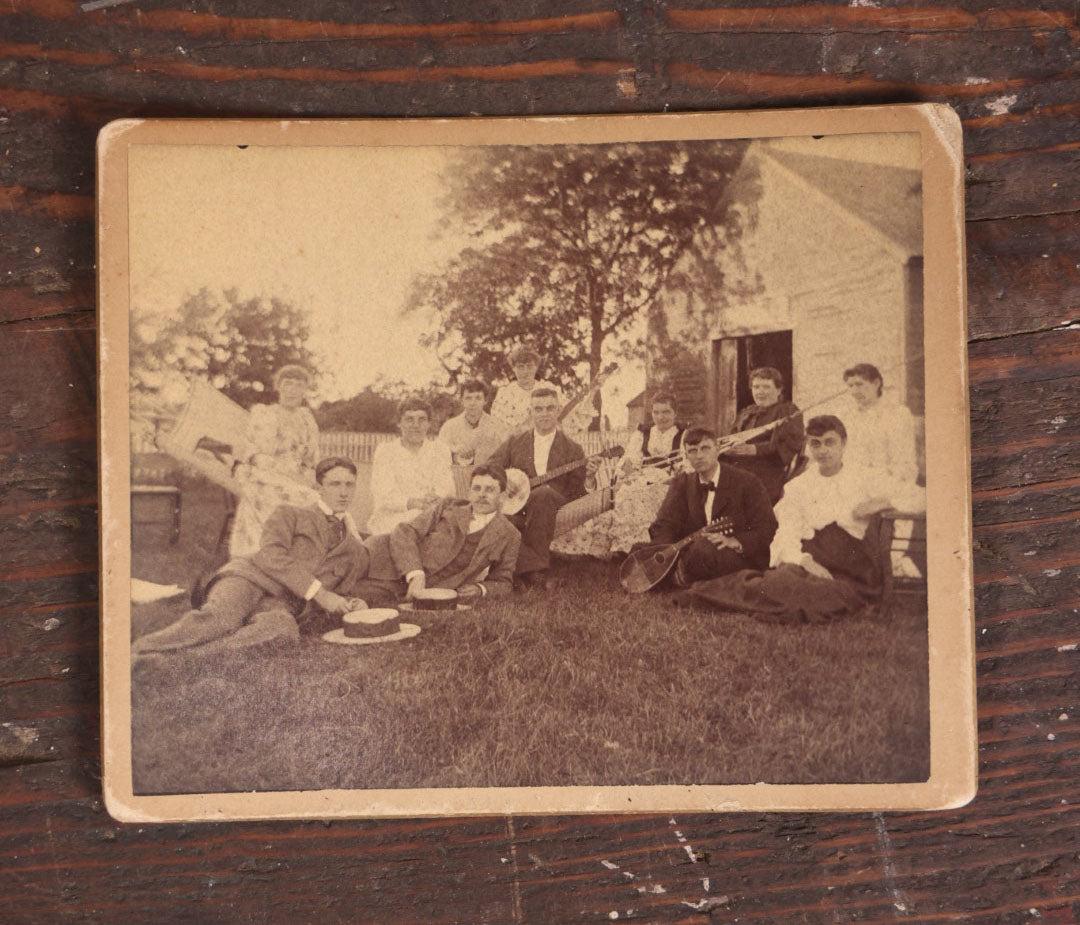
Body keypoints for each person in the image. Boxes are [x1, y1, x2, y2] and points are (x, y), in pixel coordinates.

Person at [133, 457, 368, 658]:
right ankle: (141, 651)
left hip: (282, 604)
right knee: (221, 619)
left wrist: (352, 604)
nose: (344, 492)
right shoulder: (291, 513)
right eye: (335, 484)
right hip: (249, 578)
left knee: (282, 631)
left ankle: (186, 659)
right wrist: (319, 593)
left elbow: (341, 593)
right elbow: (270, 554)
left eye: (350, 485)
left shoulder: (354, 549)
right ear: (319, 488)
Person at [770, 415, 925, 578]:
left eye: (830, 442)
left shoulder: (864, 476)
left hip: (850, 568)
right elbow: (786, 533)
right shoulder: (798, 486)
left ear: (843, 443)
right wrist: (805, 562)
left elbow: (921, 496)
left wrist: (884, 502)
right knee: (778, 581)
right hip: (808, 560)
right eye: (816, 444)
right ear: (808, 445)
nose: (823, 450)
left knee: (804, 592)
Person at [345, 464, 521, 607]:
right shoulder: (448, 506)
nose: (482, 495)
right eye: (477, 488)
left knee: (348, 593)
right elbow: (406, 531)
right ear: (469, 492)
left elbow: (503, 582)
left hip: (424, 590)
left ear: (502, 496)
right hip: (385, 557)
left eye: (490, 490)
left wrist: (480, 589)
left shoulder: (509, 534)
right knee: (338, 576)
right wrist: (415, 573)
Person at [488, 388, 600, 587]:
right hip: (516, 505)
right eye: (538, 409)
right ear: (531, 412)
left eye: (550, 408)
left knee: (544, 494)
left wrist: (589, 476)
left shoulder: (573, 448)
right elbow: (490, 466)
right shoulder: (515, 442)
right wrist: (504, 480)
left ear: (558, 410)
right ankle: (529, 569)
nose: (544, 413)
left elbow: (578, 495)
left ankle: (527, 570)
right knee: (496, 517)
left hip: (552, 504)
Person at [646, 427, 778, 584]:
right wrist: (666, 553)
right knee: (642, 550)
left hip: (734, 554)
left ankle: (677, 577)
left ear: (717, 449)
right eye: (693, 451)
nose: (699, 456)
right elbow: (663, 524)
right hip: (692, 551)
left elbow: (767, 527)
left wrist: (735, 541)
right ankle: (679, 573)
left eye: (705, 448)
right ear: (686, 456)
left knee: (703, 550)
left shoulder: (748, 482)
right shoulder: (683, 483)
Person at [229, 364, 320, 557]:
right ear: (278, 387)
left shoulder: (306, 419)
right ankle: (266, 552)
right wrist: (269, 466)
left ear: (305, 391)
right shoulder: (263, 413)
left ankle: (295, 554)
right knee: (297, 497)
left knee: (314, 499)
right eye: (287, 384)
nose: (292, 390)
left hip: (296, 475)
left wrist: (307, 475)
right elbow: (249, 448)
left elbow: (311, 458)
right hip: (265, 474)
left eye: (299, 385)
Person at [367, 398, 455, 535]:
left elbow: (447, 488)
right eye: (409, 419)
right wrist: (415, 503)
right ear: (399, 423)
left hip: (432, 516)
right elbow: (383, 495)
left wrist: (436, 499)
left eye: (422, 419)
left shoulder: (440, 450)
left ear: (429, 423)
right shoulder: (386, 451)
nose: (416, 425)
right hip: (393, 519)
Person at [720, 367, 804, 504]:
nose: (760, 392)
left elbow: (789, 444)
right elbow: (733, 438)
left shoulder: (787, 411)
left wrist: (755, 449)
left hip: (767, 472)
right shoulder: (746, 413)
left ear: (779, 390)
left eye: (766, 387)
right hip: (738, 469)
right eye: (756, 387)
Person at [837, 363, 919, 485]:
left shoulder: (897, 414)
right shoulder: (846, 416)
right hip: (851, 484)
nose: (854, 391)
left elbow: (904, 463)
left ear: (876, 383)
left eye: (859, 385)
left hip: (887, 484)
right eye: (850, 386)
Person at [438, 379, 506, 466]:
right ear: (462, 400)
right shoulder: (449, 427)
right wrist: (456, 452)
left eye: (478, 398)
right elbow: (439, 455)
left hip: (489, 476)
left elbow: (505, 457)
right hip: (458, 475)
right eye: (468, 398)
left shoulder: (497, 427)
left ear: (485, 401)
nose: (473, 403)